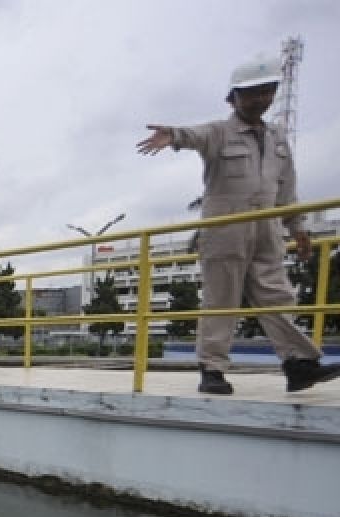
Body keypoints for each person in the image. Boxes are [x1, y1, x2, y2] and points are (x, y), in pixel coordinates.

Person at [136, 54, 340, 395]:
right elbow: (194, 135)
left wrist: (298, 228)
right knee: (221, 299)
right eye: (251, 93)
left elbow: (286, 190)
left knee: (277, 297)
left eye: (266, 91)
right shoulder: (220, 132)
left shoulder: (277, 139)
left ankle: (297, 363)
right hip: (225, 230)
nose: (259, 98)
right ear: (233, 98)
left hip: (267, 230)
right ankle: (212, 369)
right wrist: (172, 135)